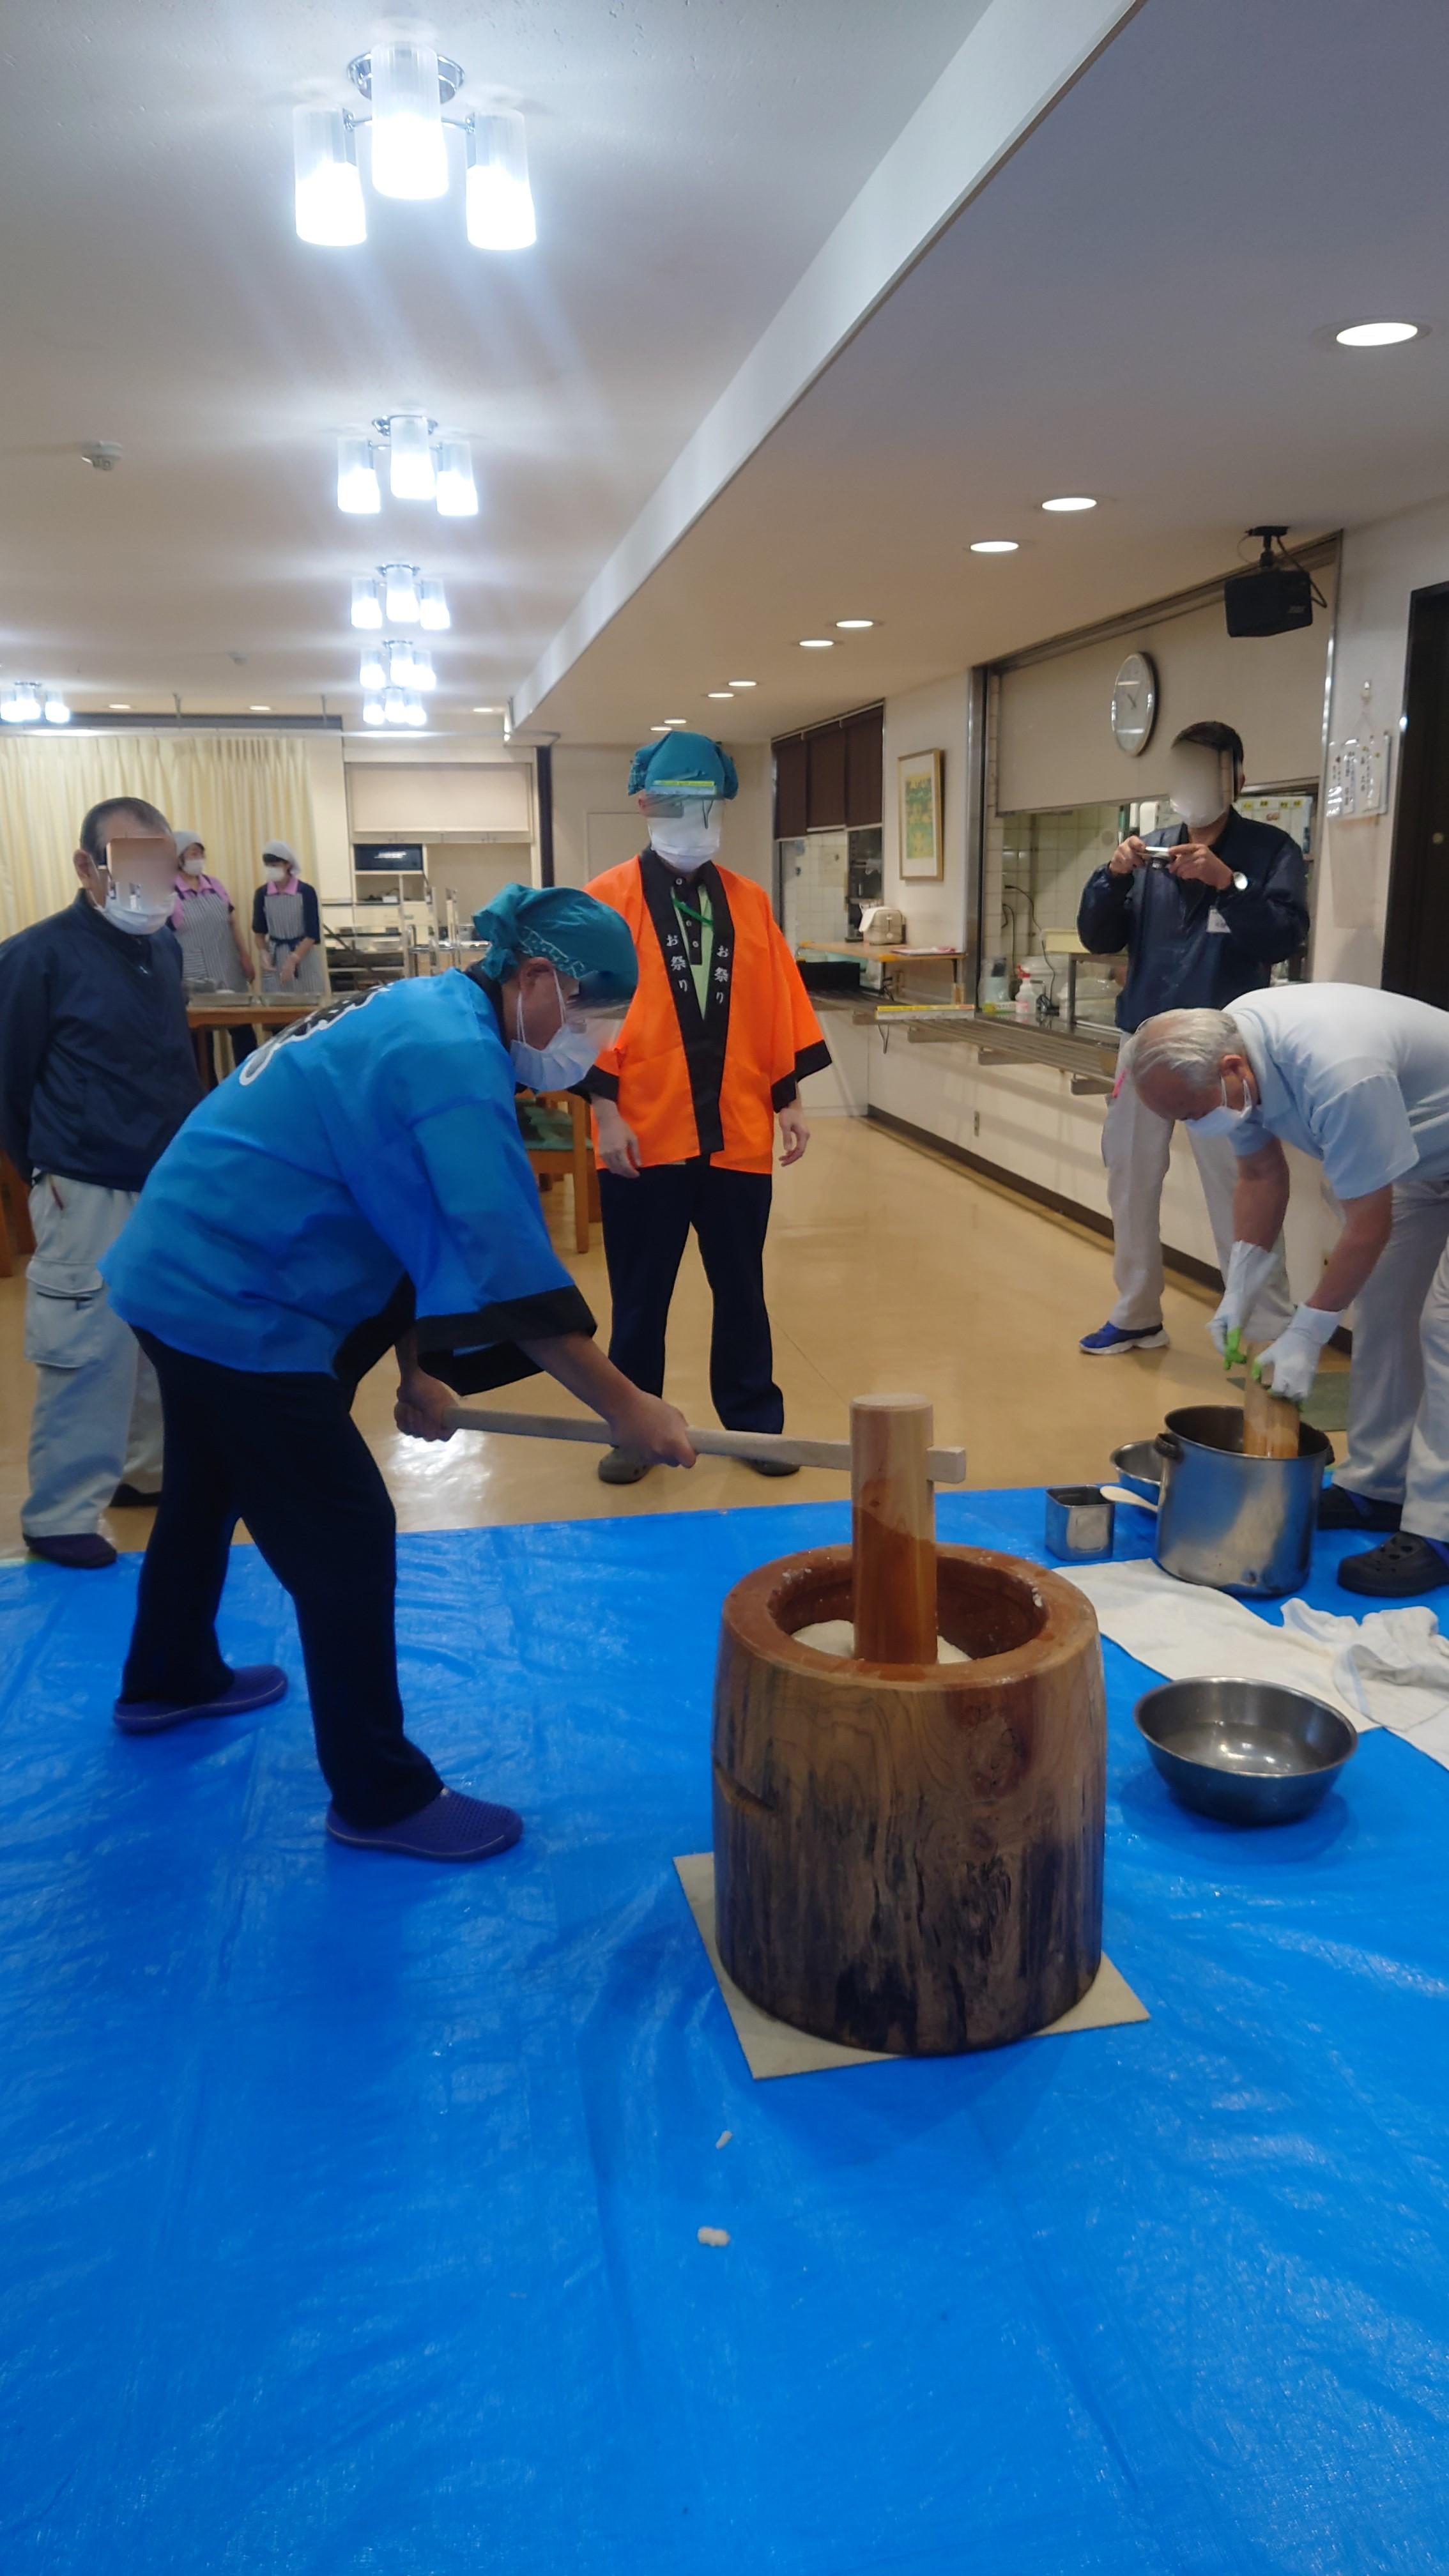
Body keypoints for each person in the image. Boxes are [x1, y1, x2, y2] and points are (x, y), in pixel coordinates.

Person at [100, 884, 696, 1863]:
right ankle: (377, 1794)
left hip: (189, 1258)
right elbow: (501, 1258)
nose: (594, 1040)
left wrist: (417, 1373)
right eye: (592, 1017)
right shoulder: (451, 1058)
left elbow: (405, 1212)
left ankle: (169, 1676)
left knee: (208, 1477)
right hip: (232, 1291)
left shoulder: (439, 1013)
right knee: (345, 1530)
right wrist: (629, 1406)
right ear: (536, 978)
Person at [1130, 985, 1449, 1598]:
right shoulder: (1237, 1054)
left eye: (1195, 1113)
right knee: (1385, 1311)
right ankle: (1379, 1487)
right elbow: (1259, 1172)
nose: (1197, 1124)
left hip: (1425, 1153)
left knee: (1442, 1327)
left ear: (1230, 1069)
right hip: (1424, 1160)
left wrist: (1307, 1332)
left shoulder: (1336, 1070)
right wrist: (1240, 1285)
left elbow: (1367, 1224)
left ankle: (1439, 1526)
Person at [584, 730, 830, 1485]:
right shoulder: (606, 899)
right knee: (640, 1294)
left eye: (703, 803)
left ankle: (755, 1422)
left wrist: (787, 1097)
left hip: (736, 1133)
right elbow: (585, 1014)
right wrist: (604, 1109)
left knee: (743, 1288)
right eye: (673, 802)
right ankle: (634, 1425)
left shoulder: (749, 904)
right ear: (644, 806)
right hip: (643, 1132)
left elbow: (775, 1005)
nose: (690, 817)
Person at [0, 796, 201, 1567]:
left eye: (162, 858)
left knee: (157, 1344)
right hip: (81, 1182)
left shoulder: (164, 948)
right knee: (86, 1349)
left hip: (162, 1181)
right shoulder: (35, 957)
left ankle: (144, 1474)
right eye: (129, 860)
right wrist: (48, 1168)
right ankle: (58, 1514)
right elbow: (9, 1083)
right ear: (87, 866)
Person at [1076, 721, 1307, 1358]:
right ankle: (1137, 1311)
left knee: (1241, 1180)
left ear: (1237, 776)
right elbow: (1099, 936)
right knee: (1129, 1175)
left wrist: (1227, 882)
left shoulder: (1270, 849)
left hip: (1228, 1044)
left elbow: (1283, 937)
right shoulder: (1151, 849)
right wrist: (1114, 876)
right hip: (1145, 1034)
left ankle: (1265, 1333)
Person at [170, 827, 259, 1071]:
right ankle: (208, 1090)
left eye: (200, 853)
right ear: (178, 858)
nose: (197, 858)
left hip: (228, 966)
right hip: (194, 975)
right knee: (201, 1038)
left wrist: (244, 955)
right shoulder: (169, 891)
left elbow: (232, 923)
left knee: (243, 1030)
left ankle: (250, 1081)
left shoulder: (215, 885)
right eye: (192, 853)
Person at [252, 839, 325, 996]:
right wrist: (263, 953)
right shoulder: (262, 894)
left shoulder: (305, 892)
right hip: (275, 957)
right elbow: (259, 933)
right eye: (268, 866)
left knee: (309, 1005)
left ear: (288, 865)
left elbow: (312, 934)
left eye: (275, 865)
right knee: (276, 1007)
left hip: (303, 957)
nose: (271, 869)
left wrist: (293, 959)